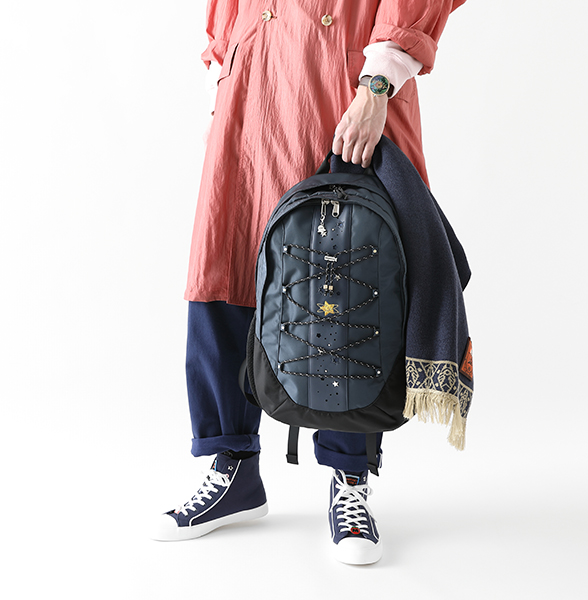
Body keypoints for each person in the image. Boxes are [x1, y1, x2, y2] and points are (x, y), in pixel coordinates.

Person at [151, 1, 467, 565]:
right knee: (226, 270)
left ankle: (350, 480)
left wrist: (377, 85)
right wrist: (223, 85)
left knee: (345, 283)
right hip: (250, 88)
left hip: (339, 86)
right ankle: (233, 469)